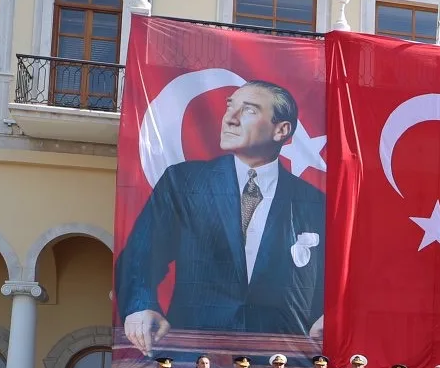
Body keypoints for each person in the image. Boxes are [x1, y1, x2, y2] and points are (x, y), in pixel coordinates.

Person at [116, 80, 325, 346]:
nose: (230, 119)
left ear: (281, 130)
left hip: (279, 358)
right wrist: (140, 305)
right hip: (194, 352)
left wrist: (330, 316)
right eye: (230, 107)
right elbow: (140, 257)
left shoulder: (313, 201)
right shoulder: (184, 182)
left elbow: (334, 279)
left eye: (248, 110)